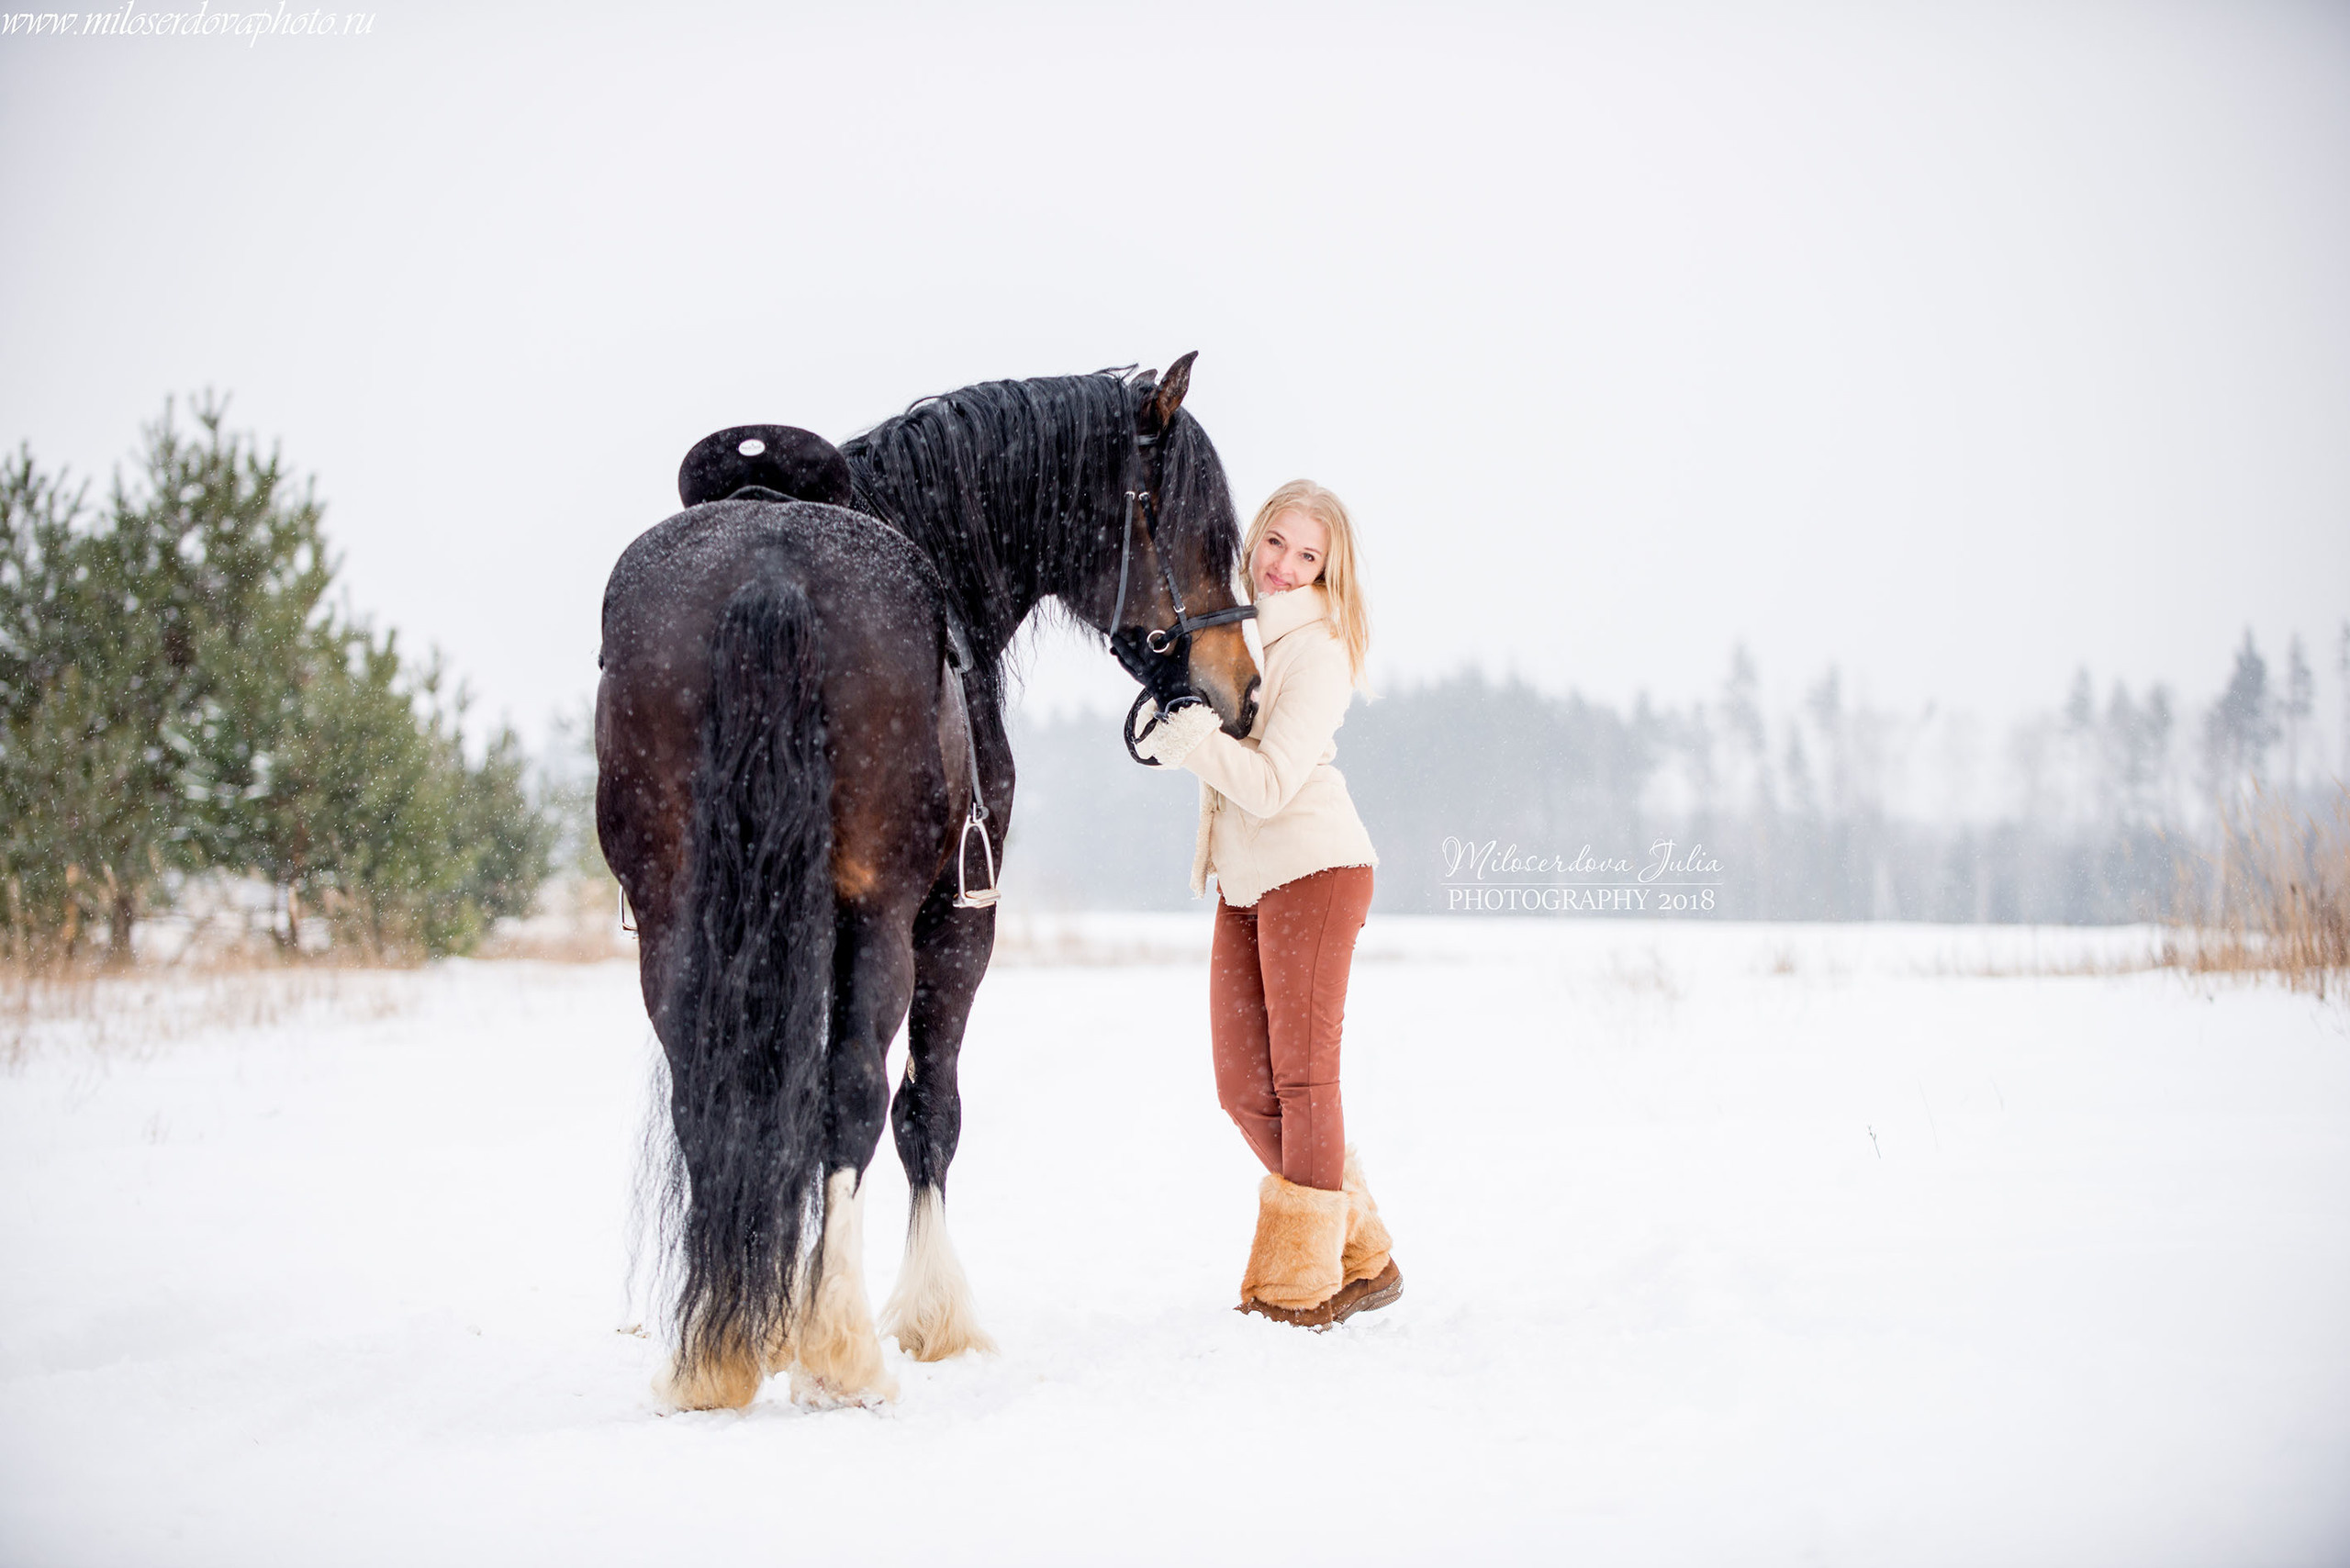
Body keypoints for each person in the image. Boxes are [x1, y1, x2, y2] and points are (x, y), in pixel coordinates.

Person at [1114, 479, 1402, 1329]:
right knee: (1243, 1087)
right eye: (1276, 542)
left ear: (1328, 571)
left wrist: (1194, 739)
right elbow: (1215, 743)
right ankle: (1365, 1252)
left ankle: (1298, 1286)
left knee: (1306, 1083)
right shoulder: (1233, 632)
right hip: (1247, 881)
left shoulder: (1320, 649)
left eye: (1307, 556)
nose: (1282, 566)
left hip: (1313, 871)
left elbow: (1272, 784)